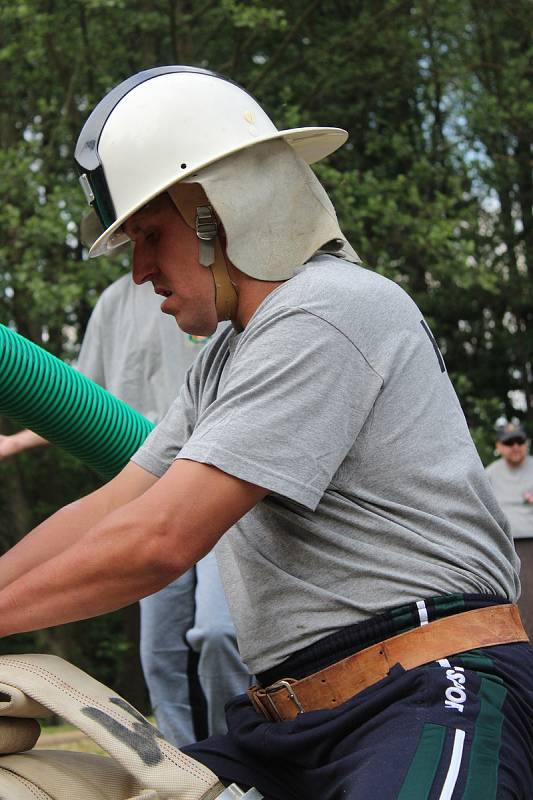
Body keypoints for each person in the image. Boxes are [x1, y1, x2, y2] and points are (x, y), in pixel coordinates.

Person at [0, 66, 530, 799]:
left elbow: (157, 541)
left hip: (425, 694)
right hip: (287, 724)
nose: (141, 269)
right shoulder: (223, 357)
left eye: (151, 234)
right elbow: (111, 507)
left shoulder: (324, 310)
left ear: (225, 211)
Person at [0, 273, 249, 745]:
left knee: (218, 634)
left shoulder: (231, 295)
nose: (142, 265)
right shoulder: (116, 303)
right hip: (147, 488)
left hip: (224, 490)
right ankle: (185, 767)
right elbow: (75, 397)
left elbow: (161, 546)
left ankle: (238, 751)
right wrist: (14, 440)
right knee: (158, 652)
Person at [486, 421, 533, 639]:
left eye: (519, 441)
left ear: (527, 443)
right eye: (509, 442)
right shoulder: (489, 474)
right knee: (517, 603)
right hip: (507, 549)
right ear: (499, 445)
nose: (515, 446)